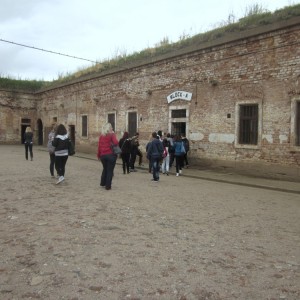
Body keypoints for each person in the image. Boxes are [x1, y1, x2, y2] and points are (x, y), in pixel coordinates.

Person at [97, 122, 119, 190]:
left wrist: (98, 155)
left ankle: (102, 183)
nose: (112, 128)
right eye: (111, 127)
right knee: (110, 170)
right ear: (109, 128)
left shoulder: (101, 136)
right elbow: (116, 142)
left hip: (103, 156)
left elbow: (99, 146)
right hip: (110, 155)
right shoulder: (111, 135)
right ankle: (108, 186)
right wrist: (113, 134)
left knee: (105, 169)